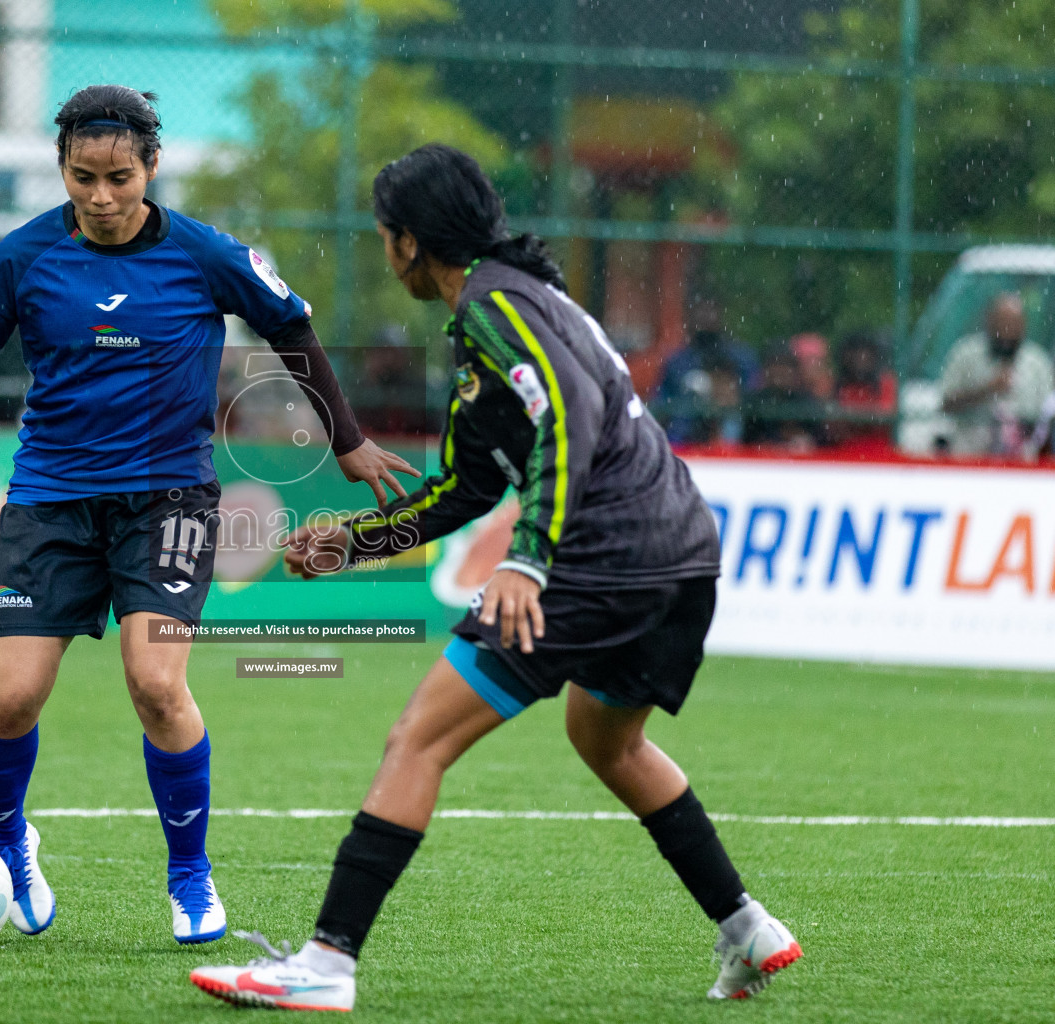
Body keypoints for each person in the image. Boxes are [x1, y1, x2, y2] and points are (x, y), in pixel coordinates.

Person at [189, 144, 802, 1011]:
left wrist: (528, 558)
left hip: (600, 558)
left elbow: (570, 419)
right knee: (607, 740)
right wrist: (352, 543)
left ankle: (324, 965)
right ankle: (747, 927)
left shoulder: (493, 306)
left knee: (419, 738)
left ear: (408, 242)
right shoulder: (517, 302)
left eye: (383, 236)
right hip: (680, 552)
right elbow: (466, 486)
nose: (383, 251)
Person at [0, 85, 416, 946]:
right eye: (82, 177)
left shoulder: (207, 256)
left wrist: (349, 440)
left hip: (168, 498)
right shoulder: (24, 257)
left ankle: (189, 874)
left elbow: (291, 331)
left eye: (119, 177)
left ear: (152, 166)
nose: (100, 197)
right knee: (13, 699)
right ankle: (7, 846)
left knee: (156, 684)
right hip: (50, 501)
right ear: (62, 168)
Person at [939, 292, 1054, 456]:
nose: (1007, 332)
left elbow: (1047, 417)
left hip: (1023, 462)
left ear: (1023, 326)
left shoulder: (1037, 364)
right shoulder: (965, 355)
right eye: (1002, 324)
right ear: (989, 322)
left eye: (1013, 325)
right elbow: (945, 404)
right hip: (969, 458)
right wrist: (986, 390)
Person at [653, 296, 760, 443]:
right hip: (684, 441)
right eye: (701, 312)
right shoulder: (676, 362)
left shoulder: (742, 358)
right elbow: (661, 405)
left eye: (711, 312)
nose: (706, 318)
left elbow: (753, 401)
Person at [744, 348, 827, 452]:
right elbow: (748, 440)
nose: (779, 371)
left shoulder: (807, 402)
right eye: (774, 365)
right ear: (765, 370)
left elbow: (820, 440)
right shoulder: (752, 403)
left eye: (785, 365)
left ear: (794, 371)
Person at [832, 330, 897, 453]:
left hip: (882, 453)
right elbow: (832, 421)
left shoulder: (886, 383)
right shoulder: (837, 385)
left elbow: (888, 415)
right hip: (843, 453)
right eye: (855, 353)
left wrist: (853, 415)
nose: (861, 358)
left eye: (865, 353)